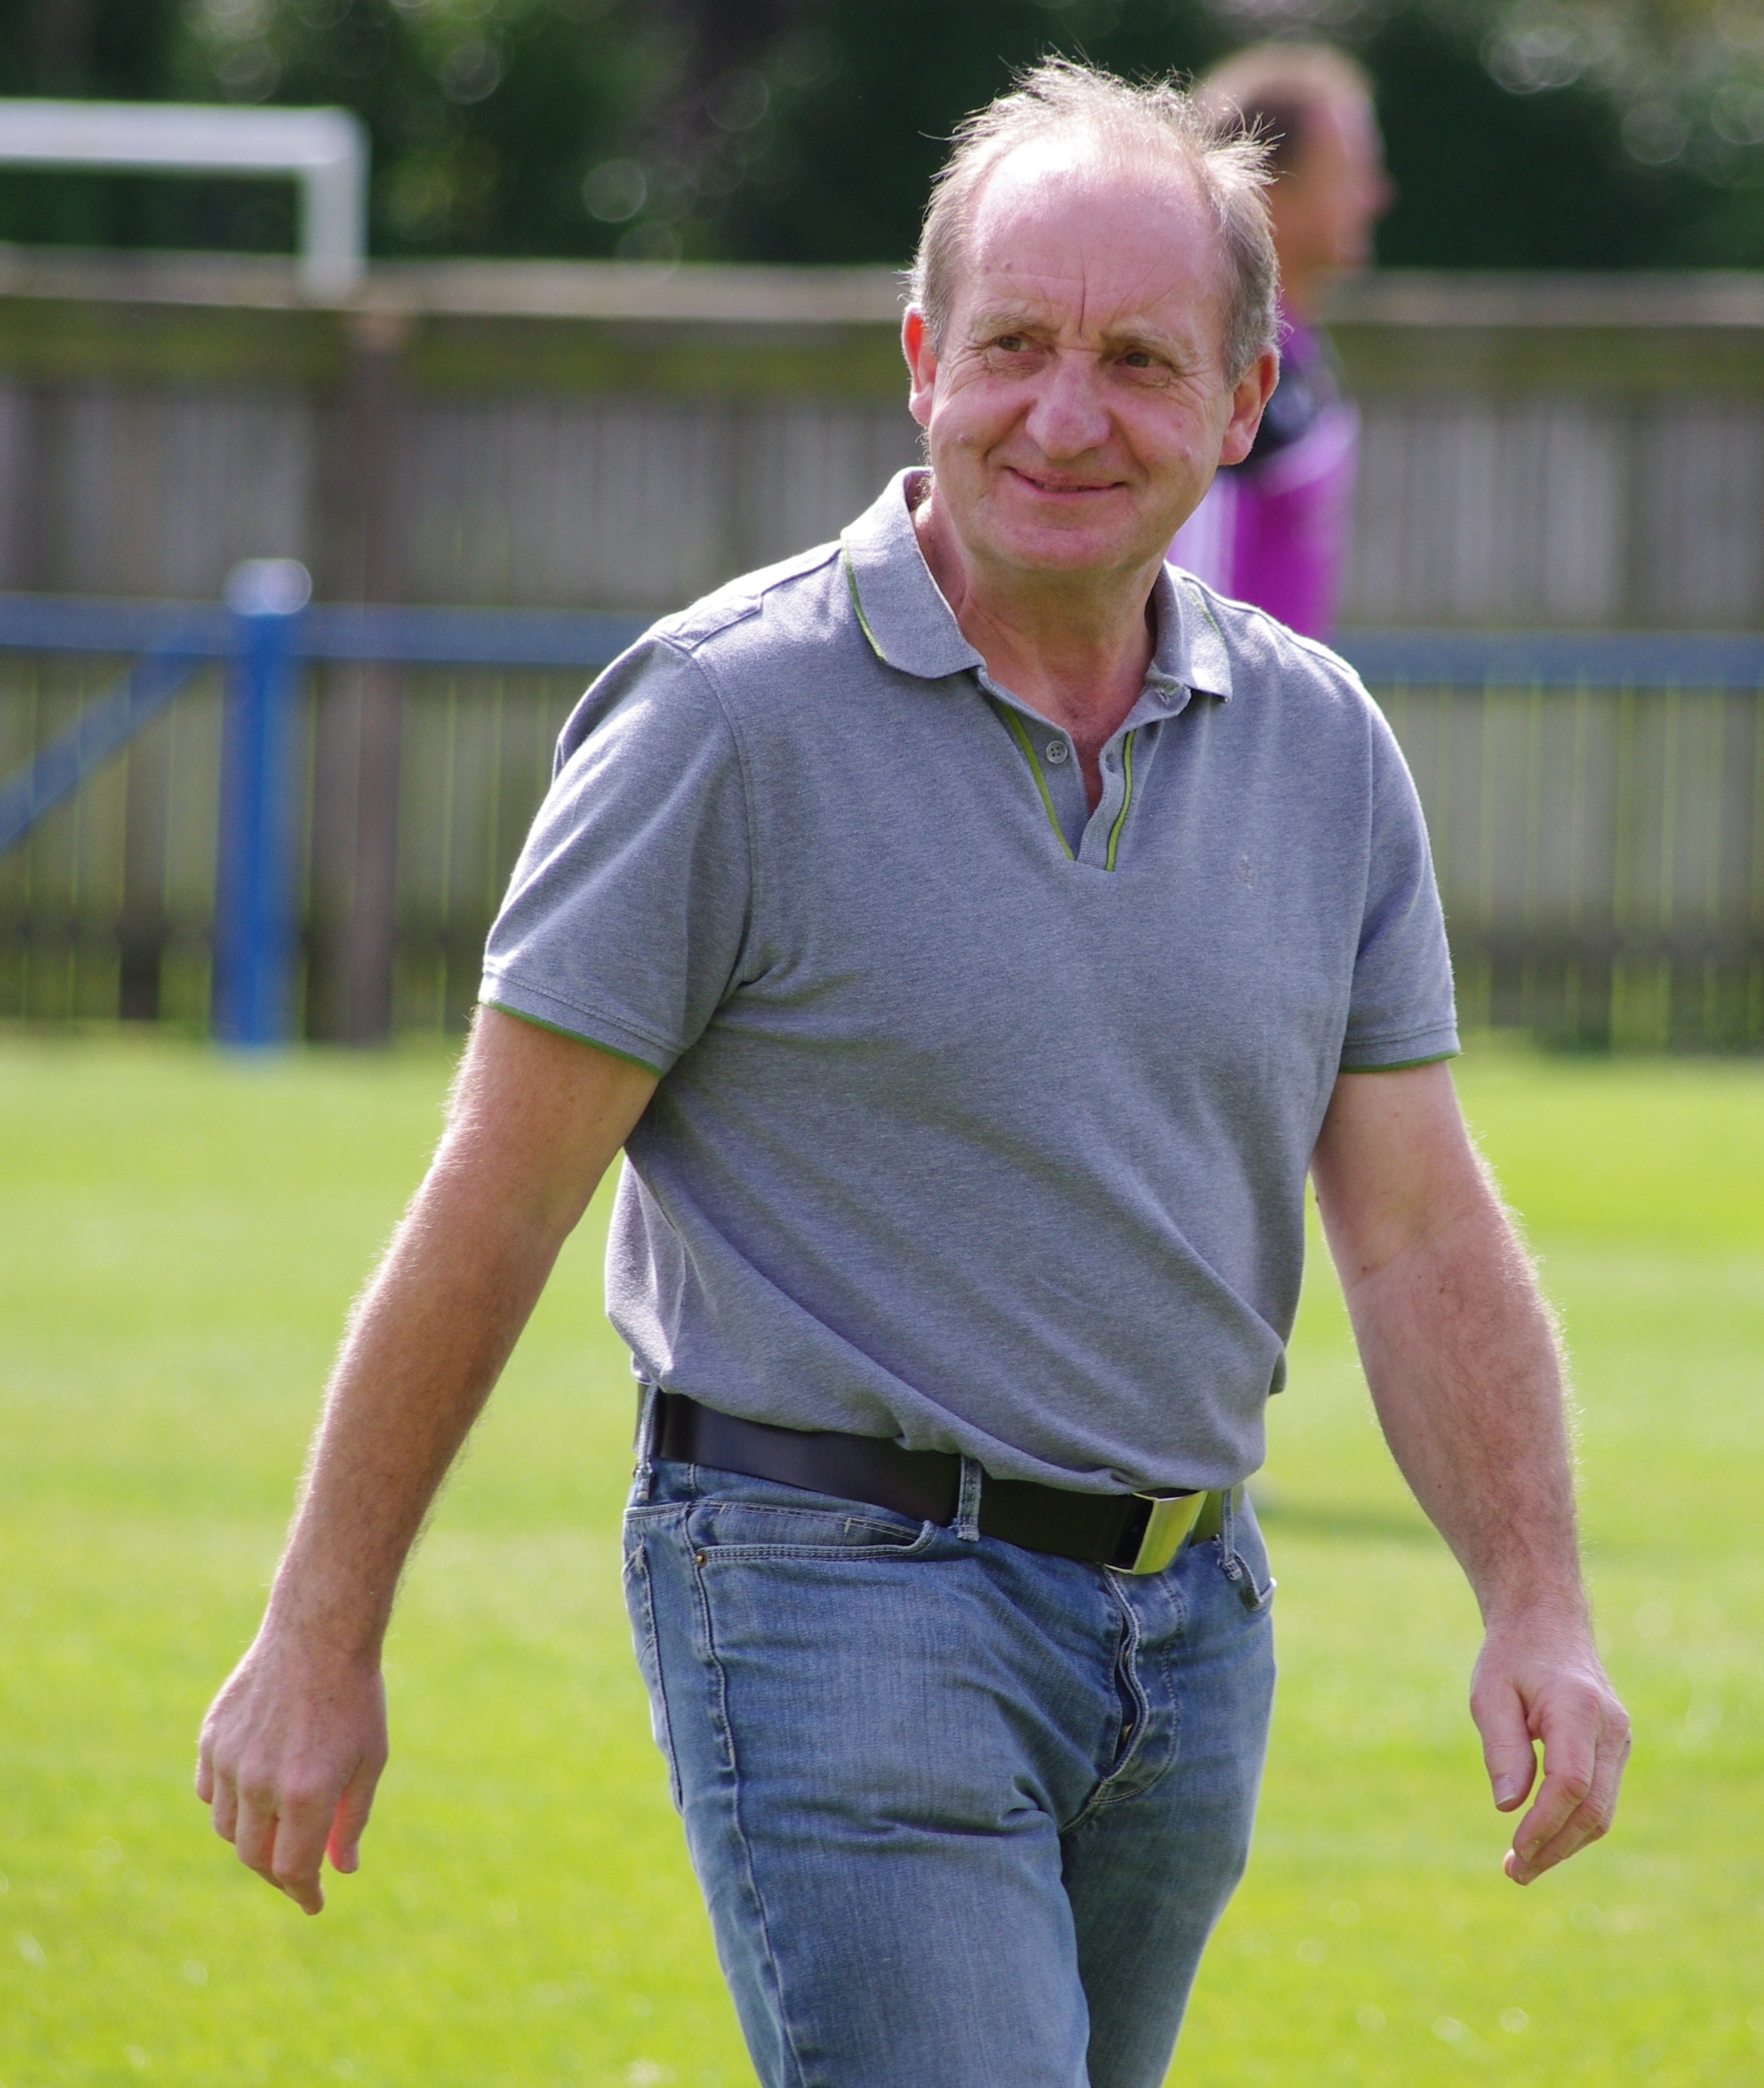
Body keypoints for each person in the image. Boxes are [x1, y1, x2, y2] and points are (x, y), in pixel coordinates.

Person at [197, 59, 1628, 2088]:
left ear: (1243, 396)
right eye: (1014, 346)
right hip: (824, 1594)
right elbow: (497, 1195)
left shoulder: (1320, 749)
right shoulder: (722, 722)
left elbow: (1414, 1228)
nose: (1064, 413)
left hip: (1189, 1620)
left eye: (1139, 360)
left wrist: (1539, 1606)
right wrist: (318, 1636)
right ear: (917, 361)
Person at [1168, 43, 1391, 639]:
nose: (1376, 197)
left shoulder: (1298, 350)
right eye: (1352, 175)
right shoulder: (1221, 367)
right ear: (1273, 189)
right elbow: (1186, 609)